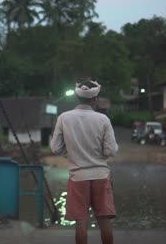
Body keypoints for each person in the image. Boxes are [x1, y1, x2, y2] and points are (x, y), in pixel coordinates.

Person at [50, 80, 119, 244]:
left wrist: (71, 149)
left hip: (77, 177)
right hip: (101, 176)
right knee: (104, 222)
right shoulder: (103, 119)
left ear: (76, 97)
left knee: (81, 224)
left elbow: (55, 149)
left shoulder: (64, 118)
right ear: (95, 99)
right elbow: (111, 151)